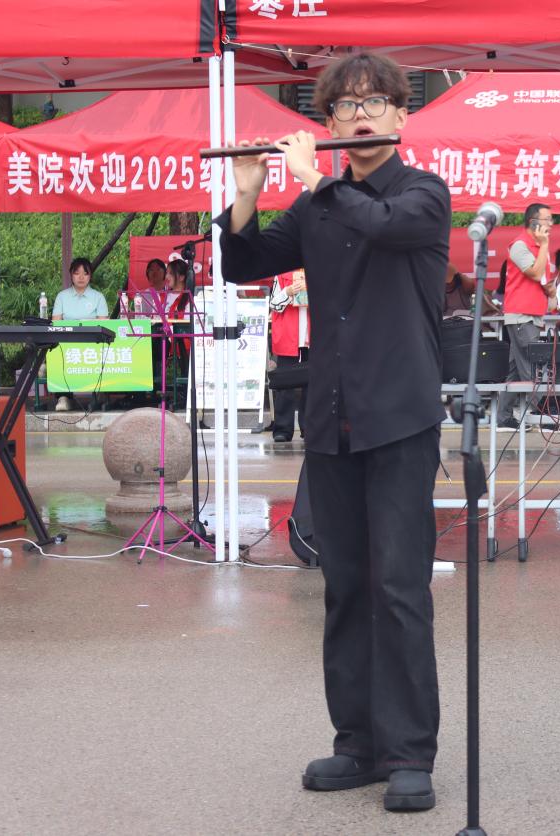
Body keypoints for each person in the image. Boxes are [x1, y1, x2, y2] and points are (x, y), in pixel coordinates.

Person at [214, 52, 449, 813]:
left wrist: (317, 178)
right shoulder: (314, 205)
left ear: (401, 115)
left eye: (376, 102)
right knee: (344, 587)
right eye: (346, 105)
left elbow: (383, 225)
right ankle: (359, 744)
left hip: (401, 417)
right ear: (329, 120)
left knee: (399, 587)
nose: (361, 114)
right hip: (333, 419)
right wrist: (246, 192)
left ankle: (409, 752)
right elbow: (245, 262)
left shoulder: (422, 193)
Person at [494, 202, 556, 431]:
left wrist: (551, 290)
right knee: (532, 364)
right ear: (533, 222)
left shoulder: (537, 246)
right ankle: (542, 415)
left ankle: (504, 418)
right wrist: (545, 245)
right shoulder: (520, 245)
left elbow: (543, 280)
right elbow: (536, 273)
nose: (551, 224)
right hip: (522, 315)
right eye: (547, 219)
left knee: (514, 368)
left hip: (531, 314)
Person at [51, 258, 109, 411]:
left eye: (85, 273)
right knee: (56, 351)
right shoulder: (62, 297)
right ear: (71, 275)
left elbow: (104, 325)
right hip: (67, 343)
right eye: (77, 273)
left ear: (90, 276)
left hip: (92, 343)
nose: (81, 277)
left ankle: (100, 393)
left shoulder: (98, 297)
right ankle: (63, 397)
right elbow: (56, 323)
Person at [269, 268, 310, 442]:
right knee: (285, 384)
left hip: (313, 336)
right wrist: (288, 291)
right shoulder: (281, 274)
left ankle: (310, 428)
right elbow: (273, 304)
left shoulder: (318, 269)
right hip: (288, 335)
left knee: (313, 385)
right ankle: (282, 429)